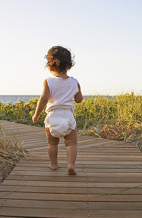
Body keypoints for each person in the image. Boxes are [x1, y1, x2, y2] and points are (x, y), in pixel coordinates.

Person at [32, 46, 83, 175]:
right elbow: (78, 99)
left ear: (49, 67)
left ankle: (54, 164)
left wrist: (36, 114)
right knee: (71, 144)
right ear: (70, 66)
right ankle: (70, 164)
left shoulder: (48, 82)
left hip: (52, 117)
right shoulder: (74, 82)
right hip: (68, 116)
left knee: (52, 144)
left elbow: (43, 99)